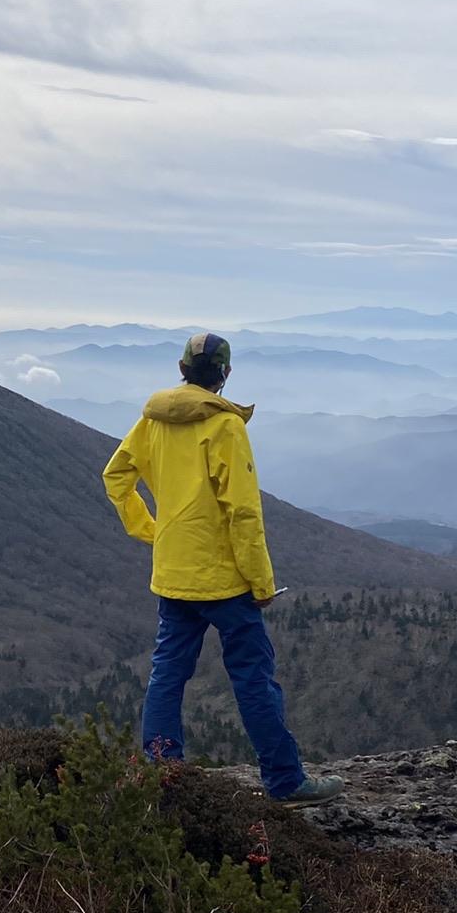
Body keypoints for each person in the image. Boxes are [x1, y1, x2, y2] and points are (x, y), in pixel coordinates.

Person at [102, 332, 343, 805]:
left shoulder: (151, 421)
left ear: (181, 368)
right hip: (225, 581)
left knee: (167, 674)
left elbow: (116, 476)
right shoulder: (225, 427)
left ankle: (162, 777)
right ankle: (286, 780)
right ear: (226, 374)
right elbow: (243, 511)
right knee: (253, 678)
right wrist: (261, 581)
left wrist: (152, 531)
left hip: (173, 575)